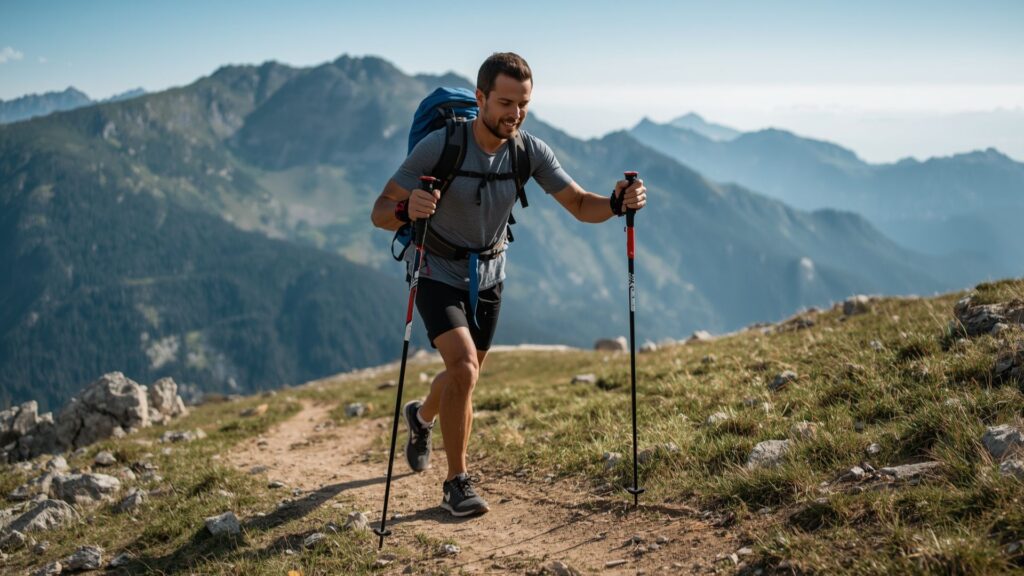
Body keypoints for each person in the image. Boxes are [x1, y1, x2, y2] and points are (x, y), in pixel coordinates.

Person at [370, 52, 647, 517]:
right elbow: (379, 210)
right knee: (463, 368)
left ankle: (420, 418)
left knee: (466, 373)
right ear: (480, 98)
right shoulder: (441, 146)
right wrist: (406, 209)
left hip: (490, 274)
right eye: (504, 102)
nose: (514, 114)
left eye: (523, 104)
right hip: (437, 267)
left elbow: (581, 205)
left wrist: (618, 203)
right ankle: (456, 482)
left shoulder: (529, 151)